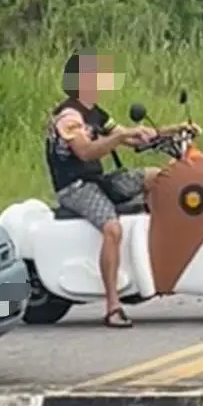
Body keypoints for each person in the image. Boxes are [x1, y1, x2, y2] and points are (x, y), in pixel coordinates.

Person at [46, 49, 188, 327]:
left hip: (98, 181)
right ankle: (113, 306)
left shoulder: (96, 113)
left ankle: (152, 260)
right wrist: (121, 136)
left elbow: (134, 140)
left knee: (157, 177)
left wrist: (175, 130)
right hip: (75, 187)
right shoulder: (69, 117)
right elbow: (86, 152)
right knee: (112, 228)